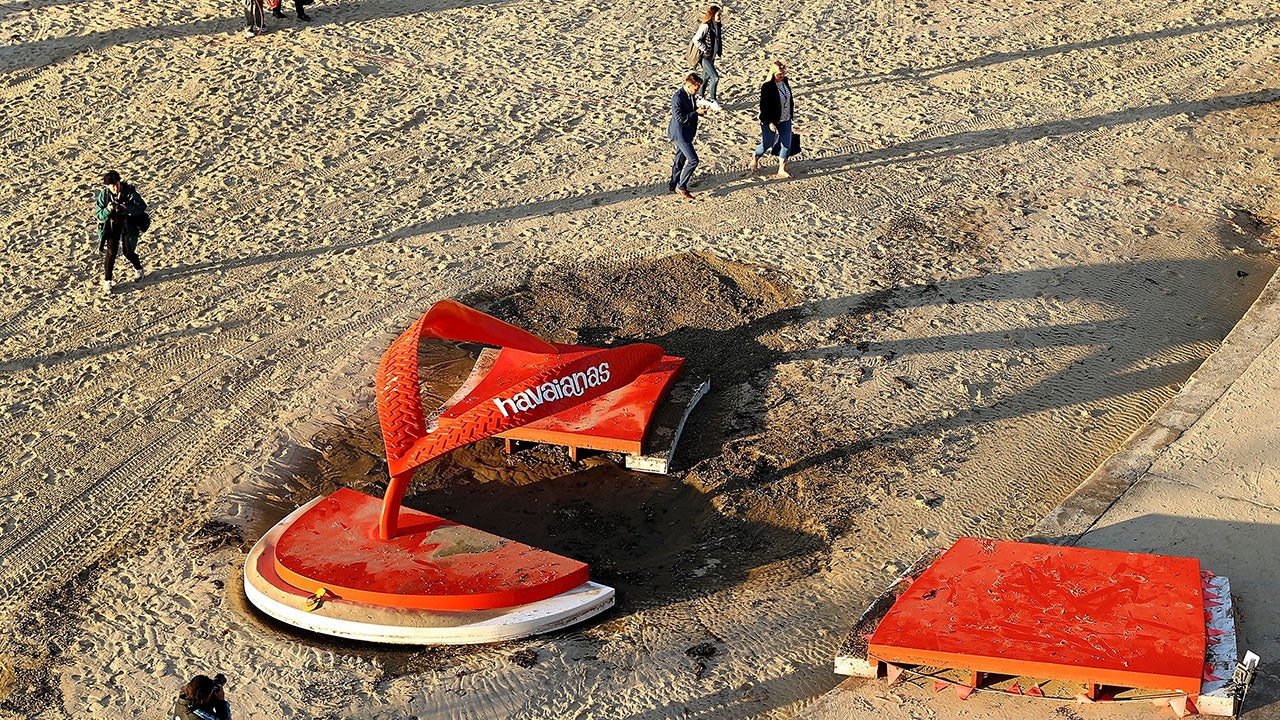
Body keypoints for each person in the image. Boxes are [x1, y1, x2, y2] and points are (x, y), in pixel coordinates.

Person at [94, 170, 147, 295]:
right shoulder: (104, 195)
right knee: (111, 253)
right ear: (107, 186)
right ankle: (107, 281)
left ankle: (138, 269)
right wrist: (108, 209)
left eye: (116, 184)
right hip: (112, 227)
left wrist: (127, 208)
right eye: (112, 186)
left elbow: (142, 207)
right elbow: (99, 215)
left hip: (128, 226)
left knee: (128, 252)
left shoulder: (129, 192)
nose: (115, 188)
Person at [750, 60, 796, 179]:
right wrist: (770, 122)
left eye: (783, 73)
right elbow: (764, 106)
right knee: (767, 143)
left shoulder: (785, 81)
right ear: (773, 73)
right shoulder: (767, 86)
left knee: (787, 143)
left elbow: (788, 99)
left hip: (785, 118)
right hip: (770, 120)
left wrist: (790, 115)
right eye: (779, 74)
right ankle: (755, 158)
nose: (782, 76)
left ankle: (782, 169)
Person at [667, 74, 707, 200]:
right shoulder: (677, 98)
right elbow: (679, 118)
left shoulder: (690, 94)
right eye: (695, 89)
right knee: (693, 160)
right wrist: (696, 113)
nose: (697, 91)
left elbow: (690, 109)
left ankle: (673, 184)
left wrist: (699, 110)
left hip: (687, 133)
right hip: (680, 134)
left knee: (680, 159)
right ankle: (681, 186)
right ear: (688, 85)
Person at [689, 6, 723, 111]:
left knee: (705, 77)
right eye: (718, 14)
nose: (720, 16)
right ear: (712, 15)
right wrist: (705, 49)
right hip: (705, 57)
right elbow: (696, 39)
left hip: (711, 57)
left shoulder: (717, 25)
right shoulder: (705, 26)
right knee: (715, 77)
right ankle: (713, 100)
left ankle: (700, 97)